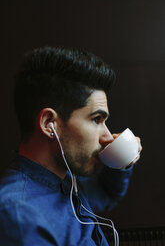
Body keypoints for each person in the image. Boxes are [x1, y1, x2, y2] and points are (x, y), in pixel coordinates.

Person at [0, 47, 142, 245]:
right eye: (96, 119)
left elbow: (106, 193)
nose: (108, 136)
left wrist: (123, 160)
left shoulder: (66, 179)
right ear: (49, 124)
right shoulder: (20, 217)